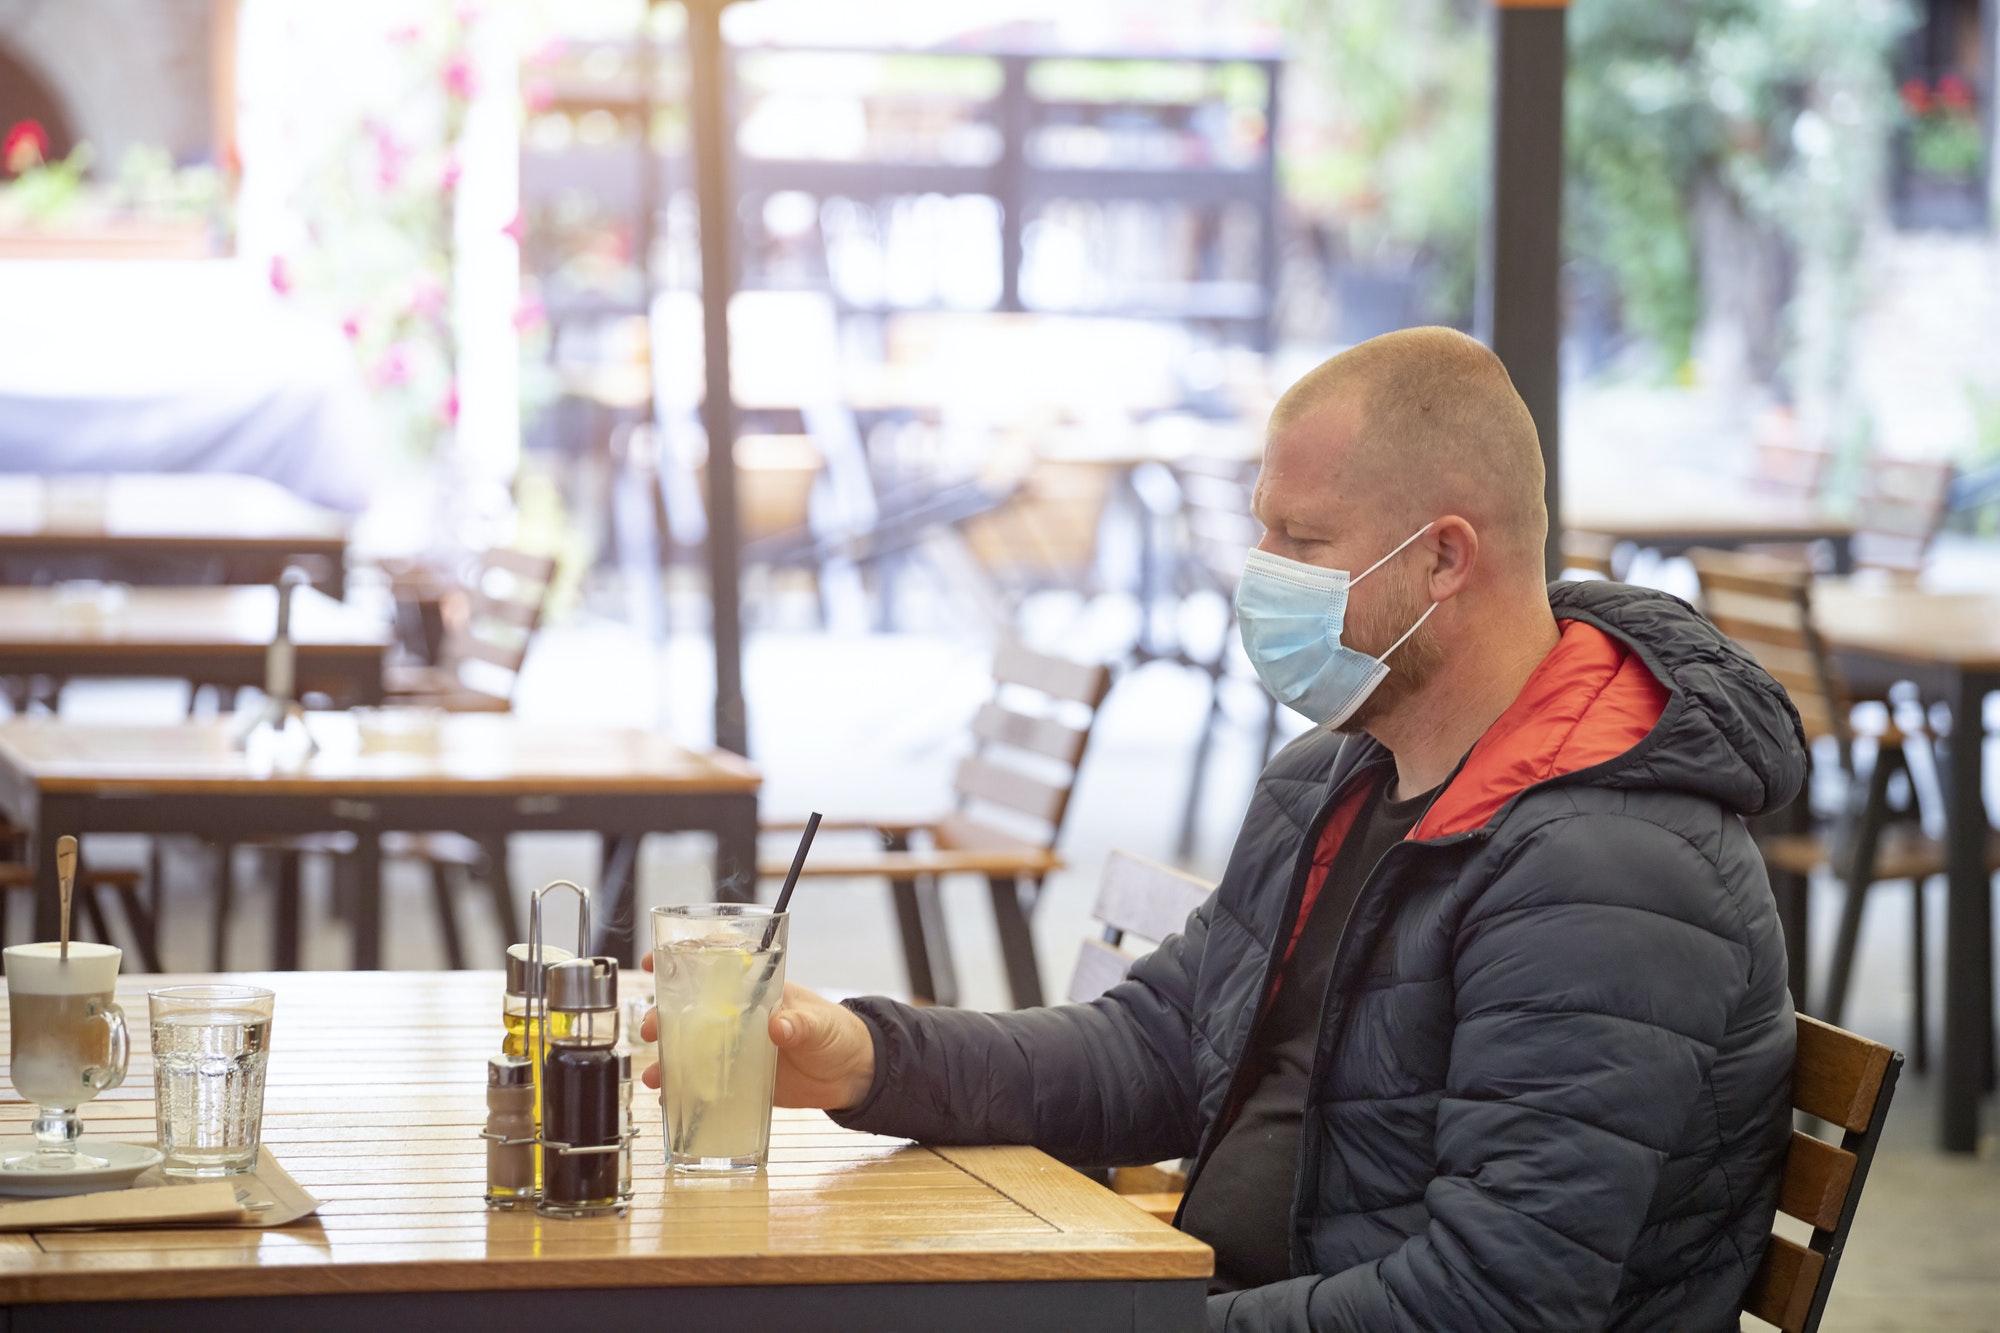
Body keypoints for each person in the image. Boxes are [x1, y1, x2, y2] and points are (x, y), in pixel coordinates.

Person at [643, 327, 1803, 1331]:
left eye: (1301, 543)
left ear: (1445, 556)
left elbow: (1497, 1300)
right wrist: (872, 1057)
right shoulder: (1337, 776)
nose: (1261, 578)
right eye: (1264, 535)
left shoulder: (1608, 871)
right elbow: (1153, 1047)